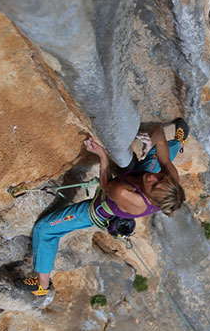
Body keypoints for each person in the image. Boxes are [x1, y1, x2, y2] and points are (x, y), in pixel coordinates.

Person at [16, 119, 188, 297]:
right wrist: (150, 140)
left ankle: (41, 284)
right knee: (158, 157)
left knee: (45, 229)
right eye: (160, 178)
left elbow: (106, 185)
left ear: (152, 201)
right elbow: (159, 134)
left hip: (101, 208)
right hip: (137, 182)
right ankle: (179, 143)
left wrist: (102, 155)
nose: (152, 178)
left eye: (153, 185)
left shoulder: (126, 195)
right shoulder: (169, 178)